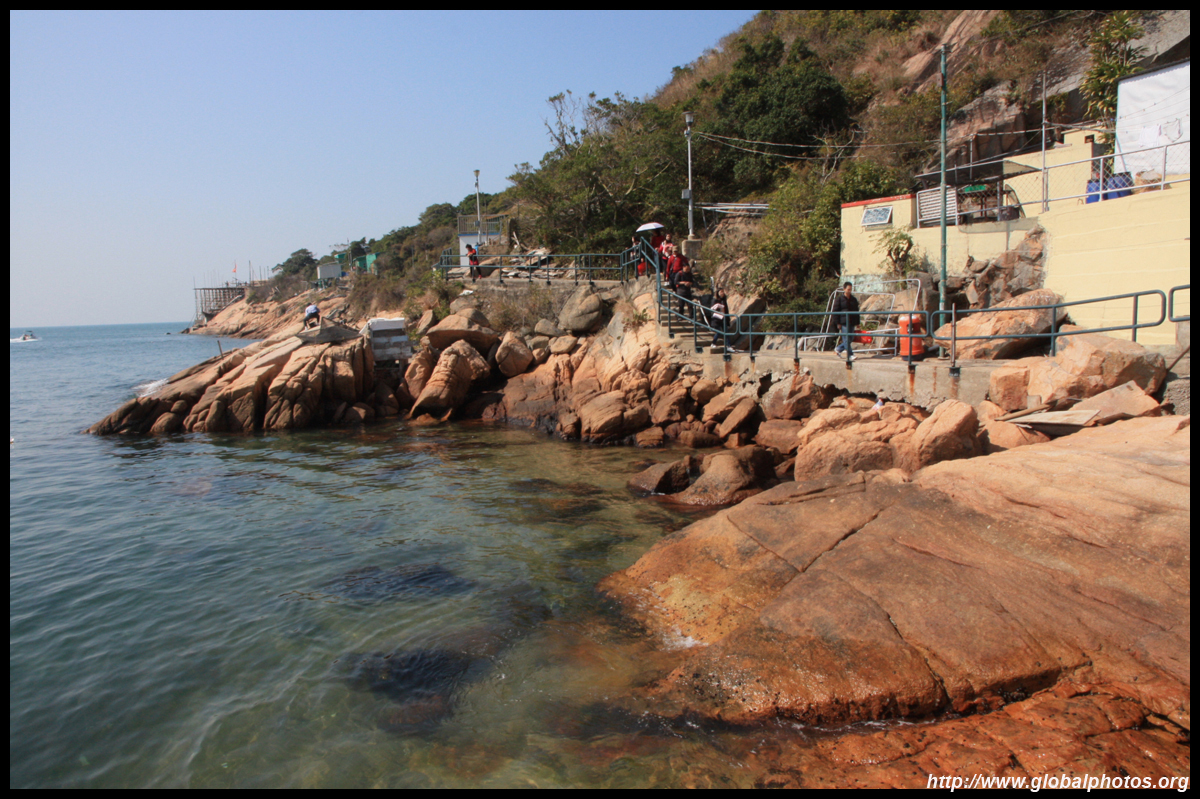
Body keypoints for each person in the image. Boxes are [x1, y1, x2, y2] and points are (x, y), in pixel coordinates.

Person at [831, 282, 860, 362]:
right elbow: (835, 311)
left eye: (850, 289)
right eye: (848, 289)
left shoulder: (853, 299)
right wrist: (837, 323)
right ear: (844, 289)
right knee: (846, 339)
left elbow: (856, 311)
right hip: (844, 322)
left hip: (852, 321)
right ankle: (850, 355)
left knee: (850, 338)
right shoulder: (839, 299)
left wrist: (858, 322)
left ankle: (838, 349)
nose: (849, 291)